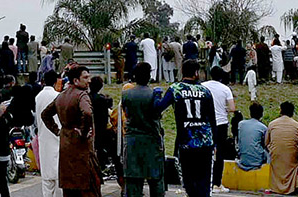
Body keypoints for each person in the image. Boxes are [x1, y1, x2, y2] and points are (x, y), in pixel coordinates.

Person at [155, 60, 216, 197]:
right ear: (196, 73)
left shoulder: (175, 89)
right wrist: (215, 142)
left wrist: (157, 95)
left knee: (189, 178)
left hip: (186, 140)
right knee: (204, 180)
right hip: (205, 141)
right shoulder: (205, 91)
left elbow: (159, 108)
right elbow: (212, 119)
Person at [41, 65, 101, 197]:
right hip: (82, 150)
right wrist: (84, 132)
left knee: (69, 189)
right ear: (76, 81)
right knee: (89, 189)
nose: (89, 80)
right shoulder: (81, 95)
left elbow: (45, 114)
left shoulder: (61, 96)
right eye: (85, 77)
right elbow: (87, 113)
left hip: (66, 147)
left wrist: (58, 131)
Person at [121, 62, 164, 197]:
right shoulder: (153, 95)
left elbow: (126, 113)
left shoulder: (126, 94)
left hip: (132, 140)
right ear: (149, 75)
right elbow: (157, 115)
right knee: (156, 180)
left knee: (133, 181)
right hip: (151, 140)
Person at [202, 66, 235, 193]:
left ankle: (204, 181)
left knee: (204, 152)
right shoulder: (225, 89)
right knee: (219, 153)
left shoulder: (203, 86)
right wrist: (224, 109)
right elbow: (232, 107)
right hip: (221, 123)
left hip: (205, 122)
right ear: (221, 76)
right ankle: (217, 183)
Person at [89, 76, 122, 186]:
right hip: (102, 132)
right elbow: (104, 120)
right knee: (115, 157)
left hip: (92, 131)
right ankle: (121, 180)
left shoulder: (87, 98)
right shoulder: (101, 100)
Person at [264, 102, 298, 195]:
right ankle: (291, 188)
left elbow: (266, 142)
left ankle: (276, 188)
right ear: (292, 112)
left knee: (276, 168)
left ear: (281, 111)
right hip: (292, 155)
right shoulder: (297, 125)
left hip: (276, 154)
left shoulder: (272, 124)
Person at [35, 71, 62, 197]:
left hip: (43, 138)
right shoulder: (58, 96)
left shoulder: (38, 97)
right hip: (57, 135)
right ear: (56, 81)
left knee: (46, 179)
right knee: (59, 175)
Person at [236, 103, 267, 171]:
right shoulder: (263, 127)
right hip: (257, 161)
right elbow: (265, 144)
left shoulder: (241, 124)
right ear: (261, 114)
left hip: (242, 160)